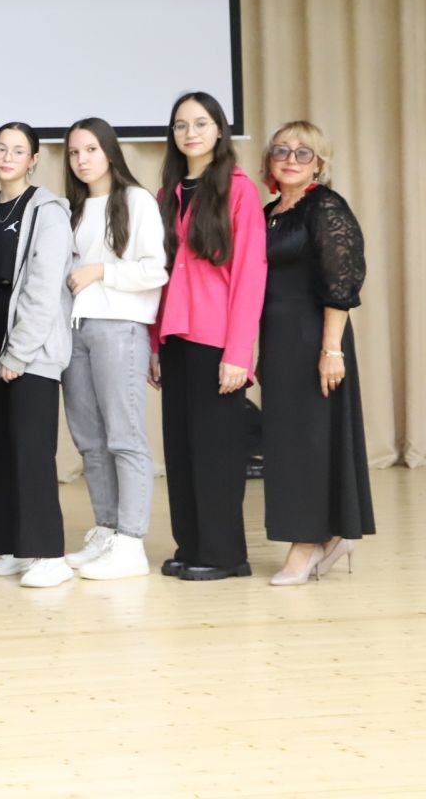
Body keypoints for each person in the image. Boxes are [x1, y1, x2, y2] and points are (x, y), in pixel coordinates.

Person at [149, 91, 267, 581]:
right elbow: (160, 275)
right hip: (174, 338)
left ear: (219, 130)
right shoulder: (168, 194)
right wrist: (154, 344)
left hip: (217, 340)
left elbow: (250, 275)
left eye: (200, 123)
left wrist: (238, 353)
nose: (190, 132)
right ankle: (192, 545)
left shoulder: (239, 191)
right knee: (181, 450)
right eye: (181, 125)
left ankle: (224, 554)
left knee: (216, 452)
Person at [258, 122, 374, 585]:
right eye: (282, 150)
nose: (291, 159)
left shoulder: (325, 206)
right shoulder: (270, 212)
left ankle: (305, 547)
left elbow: (342, 282)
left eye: (303, 153)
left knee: (307, 442)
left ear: (319, 164)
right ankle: (332, 535)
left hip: (315, 339)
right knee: (286, 444)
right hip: (279, 340)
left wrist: (331, 350)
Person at [59, 117, 168, 581]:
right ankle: (106, 530)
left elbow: (156, 270)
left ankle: (131, 541)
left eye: (90, 150)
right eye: (74, 152)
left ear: (109, 151)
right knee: (89, 440)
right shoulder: (73, 209)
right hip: (76, 331)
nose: (82, 160)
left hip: (119, 329)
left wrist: (100, 271)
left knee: (125, 436)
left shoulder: (136, 200)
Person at [0, 122, 75, 588]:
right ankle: (14, 545)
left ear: (33, 159)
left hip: (32, 348)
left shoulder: (48, 212)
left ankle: (49, 554)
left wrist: (18, 353)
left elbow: (44, 289)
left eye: (18, 150)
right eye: (0, 149)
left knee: (31, 450)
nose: (7, 157)